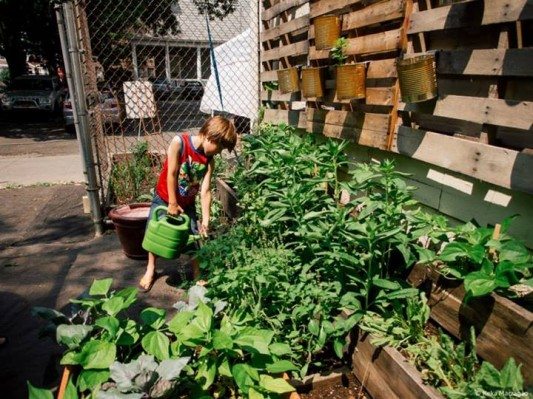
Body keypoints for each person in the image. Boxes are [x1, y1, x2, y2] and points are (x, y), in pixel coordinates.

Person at [139, 116, 237, 292]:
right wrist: (172, 203)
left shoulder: (209, 160)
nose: (219, 151)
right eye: (219, 146)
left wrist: (205, 221)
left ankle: (197, 273)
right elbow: (172, 174)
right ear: (209, 135)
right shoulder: (180, 143)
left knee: (194, 237)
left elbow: (205, 191)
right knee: (156, 232)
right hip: (165, 198)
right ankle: (151, 269)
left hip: (188, 203)